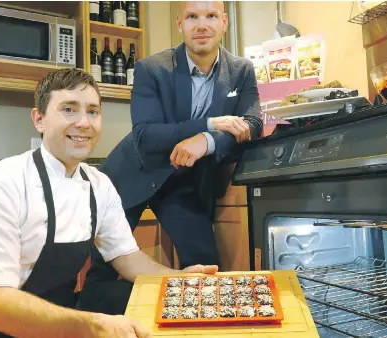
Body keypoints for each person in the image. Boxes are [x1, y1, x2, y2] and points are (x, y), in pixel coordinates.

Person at [0, 68, 218, 338]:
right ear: (39, 119)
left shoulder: (99, 185)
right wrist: (93, 327)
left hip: (51, 316)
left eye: (93, 111)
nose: (84, 122)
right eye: (69, 109)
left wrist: (178, 279)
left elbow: (129, 260)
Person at [77, 1, 263, 315]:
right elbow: (146, 135)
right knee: (105, 266)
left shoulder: (241, 70)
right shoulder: (152, 67)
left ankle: (188, 326)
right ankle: (99, 324)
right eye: (192, 17)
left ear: (224, 22)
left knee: (205, 264)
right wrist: (209, 124)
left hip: (184, 180)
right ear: (180, 24)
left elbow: (253, 125)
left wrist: (204, 141)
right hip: (134, 173)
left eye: (210, 16)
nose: (201, 25)